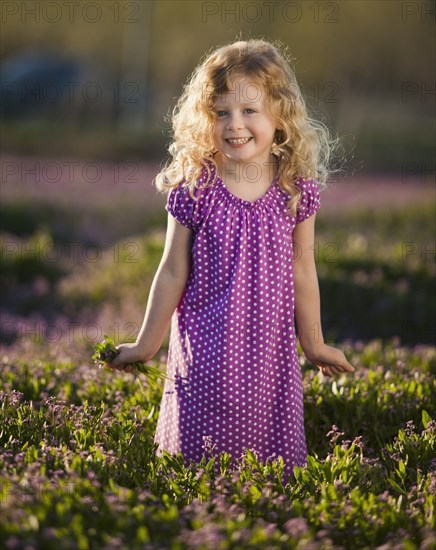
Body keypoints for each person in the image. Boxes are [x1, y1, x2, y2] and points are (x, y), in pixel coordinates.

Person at [105, 39, 355, 476]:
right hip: (204, 351)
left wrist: (313, 342)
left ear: (280, 117)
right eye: (221, 112)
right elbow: (171, 270)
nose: (234, 124)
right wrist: (146, 344)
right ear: (205, 118)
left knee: (268, 473)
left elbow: (303, 270)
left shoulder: (294, 190)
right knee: (197, 470)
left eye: (249, 111)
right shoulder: (195, 187)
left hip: (269, 355)